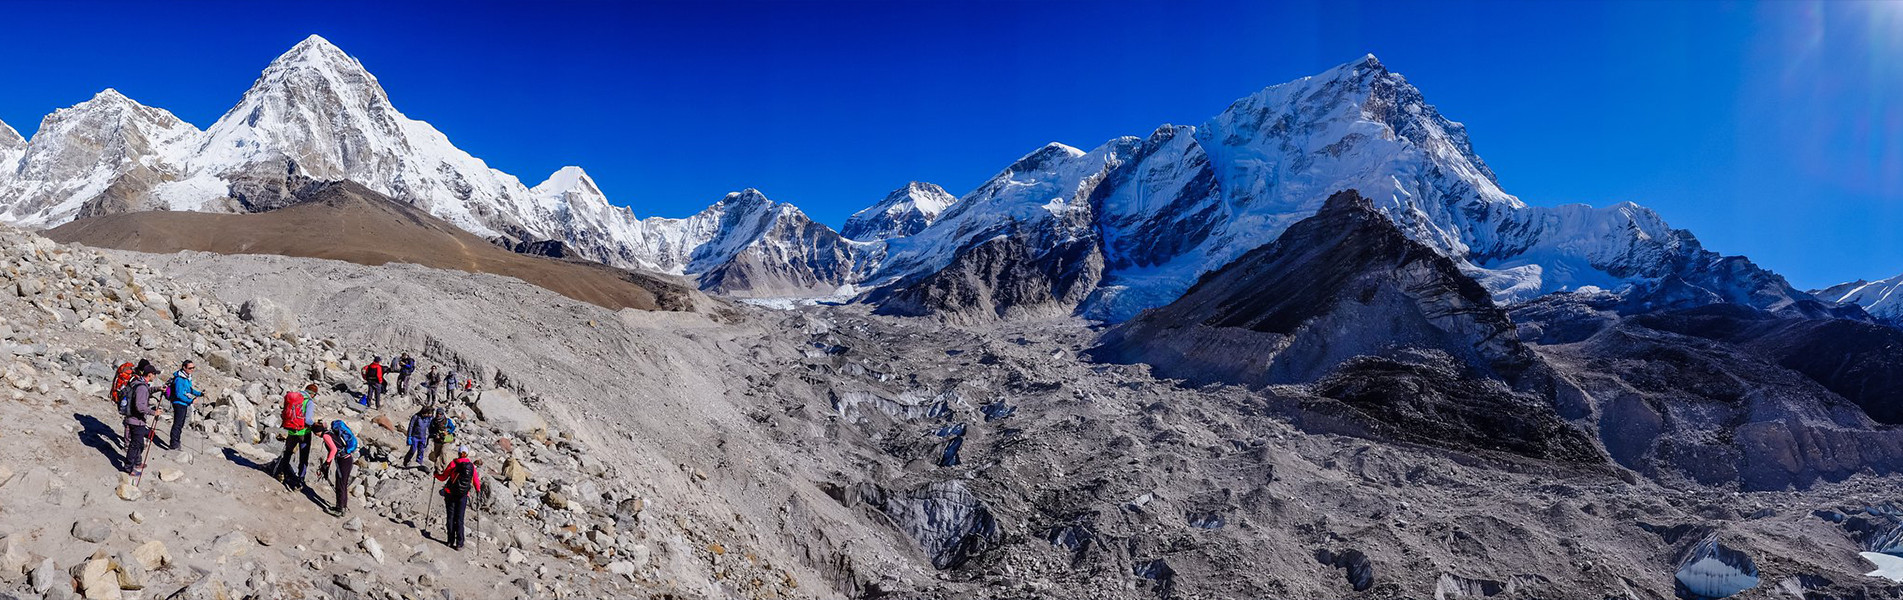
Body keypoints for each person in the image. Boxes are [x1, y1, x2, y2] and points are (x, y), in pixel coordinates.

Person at [433, 446, 482, 550]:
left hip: (450, 493)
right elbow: (476, 481)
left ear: (458, 453)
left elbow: (443, 477)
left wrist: (436, 475)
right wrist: (478, 491)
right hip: (463, 495)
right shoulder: (471, 466)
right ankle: (460, 543)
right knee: (459, 519)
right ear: (467, 454)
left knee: (450, 517)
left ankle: (450, 541)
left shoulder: (453, 464)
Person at [120, 360, 161, 477]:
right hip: (137, 421)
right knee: (135, 445)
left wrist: (159, 388)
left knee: (137, 444)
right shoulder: (142, 387)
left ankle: (136, 463)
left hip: (132, 419)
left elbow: (147, 392)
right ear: (150, 375)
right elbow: (140, 406)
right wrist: (154, 412)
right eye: (154, 374)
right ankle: (128, 468)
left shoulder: (138, 382)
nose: (155, 376)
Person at [272, 389, 316, 489]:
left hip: (292, 431)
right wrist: (315, 425)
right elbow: (308, 420)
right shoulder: (308, 402)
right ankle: (300, 480)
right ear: (313, 394)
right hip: (304, 433)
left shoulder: (294, 398)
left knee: (287, 453)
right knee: (304, 457)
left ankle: (282, 474)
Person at [166, 360, 205, 450]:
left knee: (180, 424)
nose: (192, 369)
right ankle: (174, 443)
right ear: (184, 368)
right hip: (179, 403)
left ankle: (176, 442)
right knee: (178, 424)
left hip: (183, 403)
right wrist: (191, 400)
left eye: (193, 368)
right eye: (190, 368)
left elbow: (189, 390)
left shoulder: (187, 377)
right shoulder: (179, 379)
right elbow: (179, 394)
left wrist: (199, 394)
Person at [327, 419, 358, 517]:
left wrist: (327, 463)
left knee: (340, 484)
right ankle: (342, 507)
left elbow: (333, 450)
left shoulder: (334, 435)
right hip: (348, 459)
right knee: (343, 484)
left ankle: (339, 509)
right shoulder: (341, 435)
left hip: (343, 460)